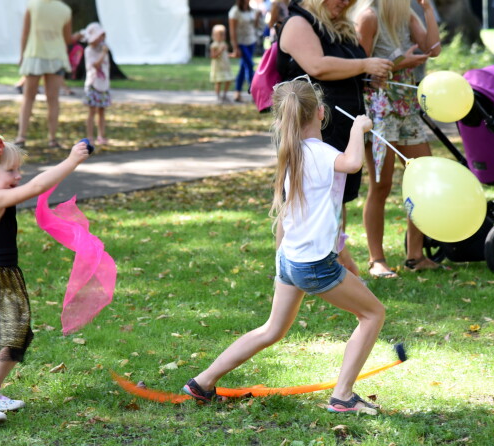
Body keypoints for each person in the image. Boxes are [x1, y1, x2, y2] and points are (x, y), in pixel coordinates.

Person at [182, 77, 385, 414]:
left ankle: (202, 382)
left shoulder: (292, 154)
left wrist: (337, 253)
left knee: (272, 329)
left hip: (291, 258)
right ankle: (343, 396)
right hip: (312, 265)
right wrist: (359, 128)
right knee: (373, 314)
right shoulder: (321, 154)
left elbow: (308, 213)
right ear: (320, 112)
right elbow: (352, 164)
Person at [0, 133, 90, 425]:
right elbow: (38, 186)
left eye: (18, 170)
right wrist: (71, 160)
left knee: (17, 337)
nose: (18, 175)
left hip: (4, 278)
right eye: (11, 170)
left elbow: (32, 185)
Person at [277, 0, 394, 276]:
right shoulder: (298, 23)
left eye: (349, 1)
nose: (344, 3)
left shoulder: (338, 27)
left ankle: (333, 262)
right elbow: (317, 66)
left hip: (341, 123)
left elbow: (346, 69)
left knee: (336, 198)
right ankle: (289, 265)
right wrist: (365, 63)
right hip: (313, 127)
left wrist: (368, 75)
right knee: (298, 199)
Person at [354, 0, 442, 277]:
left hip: (406, 106)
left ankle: (415, 255)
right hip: (381, 108)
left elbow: (433, 49)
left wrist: (427, 10)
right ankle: (376, 259)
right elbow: (360, 69)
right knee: (382, 185)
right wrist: (401, 62)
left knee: (423, 178)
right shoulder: (369, 16)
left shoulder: (406, 14)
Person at [15, 0, 79, 149]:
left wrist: (22, 55)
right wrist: (78, 36)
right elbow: (68, 39)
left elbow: (25, 33)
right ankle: (52, 138)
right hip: (56, 57)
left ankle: (21, 136)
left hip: (34, 55)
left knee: (28, 98)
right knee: (53, 100)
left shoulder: (32, 5)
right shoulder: (65, 10)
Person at [83, 22, 110, 146]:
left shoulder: (103, 48)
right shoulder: (89, 51)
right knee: (92, 111)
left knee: (102, 111)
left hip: (103, 84)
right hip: (93, 84)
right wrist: (103, 53)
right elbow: (96, 65)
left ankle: (101, 135)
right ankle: (90, 136)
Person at [229, 0, 262, 103]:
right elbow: (232, 30)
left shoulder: (251, 10)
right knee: (250, 65)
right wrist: (235, 47)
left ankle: (237, 93)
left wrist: (257, 17)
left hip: (251, 41)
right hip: (241, 42)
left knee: (243, 68)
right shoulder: (234, 11)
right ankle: (254, 92)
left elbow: (254, 26)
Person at [209, 24, 234, 104]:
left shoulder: (224, 43)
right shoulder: (214, 45)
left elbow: (225, 54)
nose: (223, 36)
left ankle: (224, 95)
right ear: (214, 35)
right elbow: (213, 56)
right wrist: (220, 50)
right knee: (218, 82)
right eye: (220, 34)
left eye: (224, 34)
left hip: (225, 66)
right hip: (218, 67)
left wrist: (231, 55)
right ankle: (218, 96)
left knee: (228, 80)